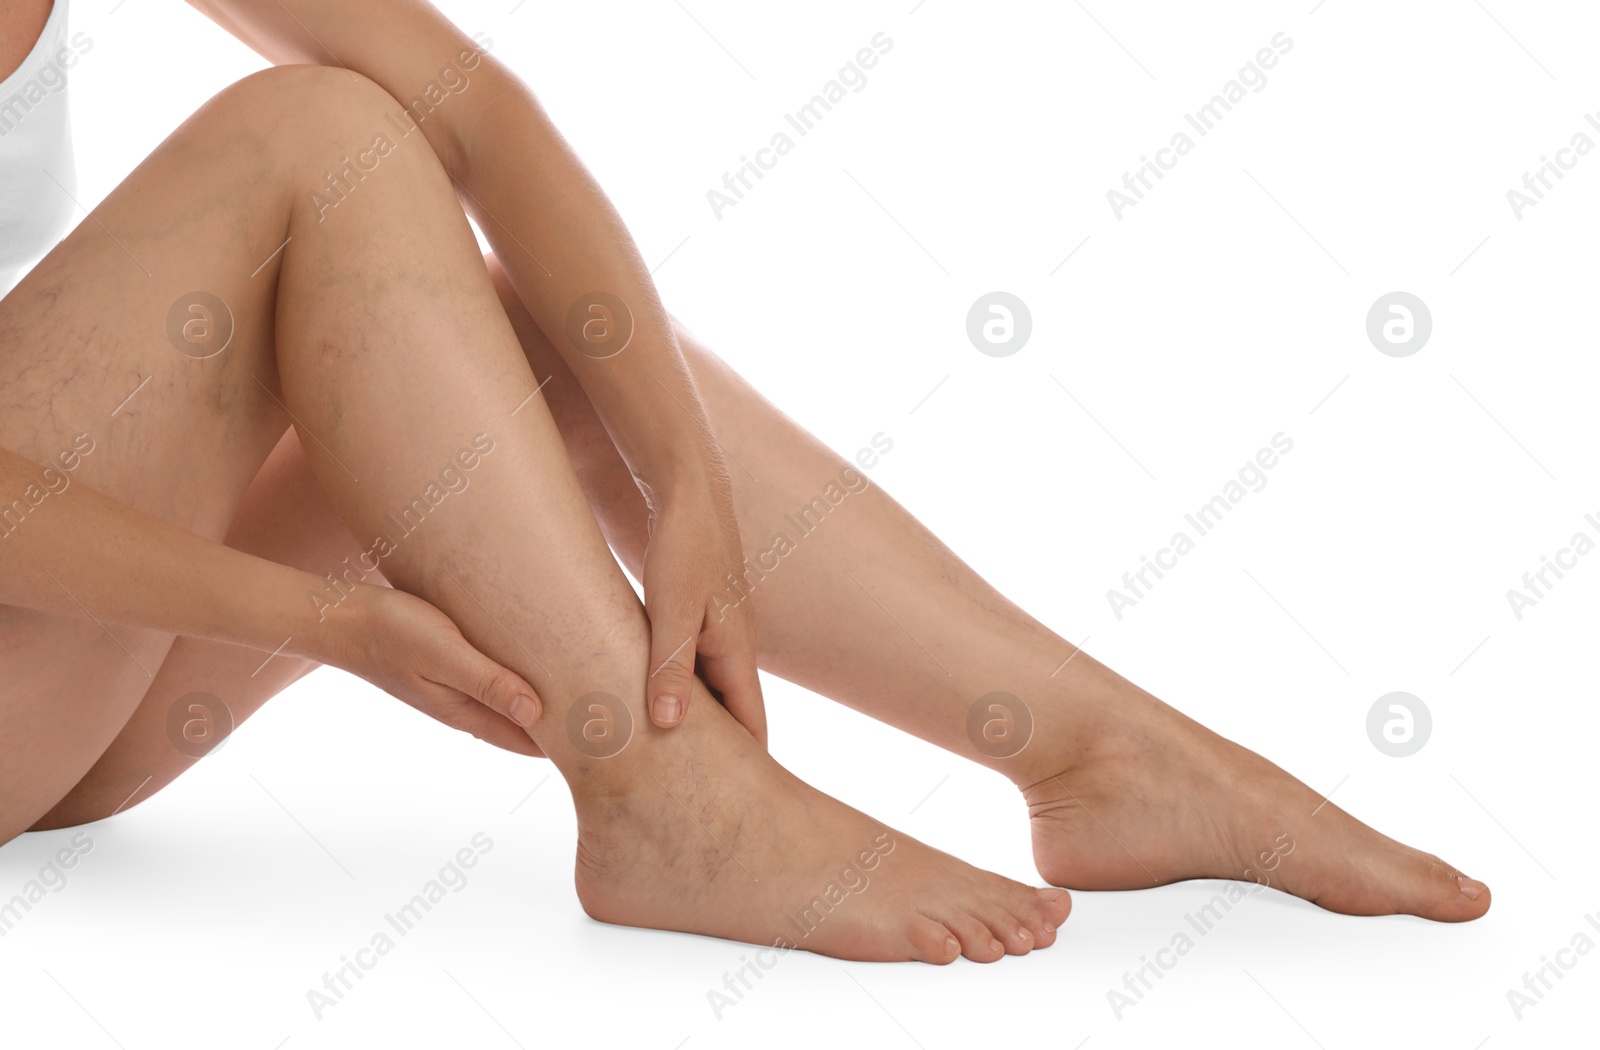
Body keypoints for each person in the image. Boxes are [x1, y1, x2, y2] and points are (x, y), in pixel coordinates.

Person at [0, 0, 1490, 965]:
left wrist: (678, 467)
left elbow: (473, 111)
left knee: (438, 289)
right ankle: (666, 796)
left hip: (66, 675)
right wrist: (319, 619)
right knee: (310, 141)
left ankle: (1097, 751)